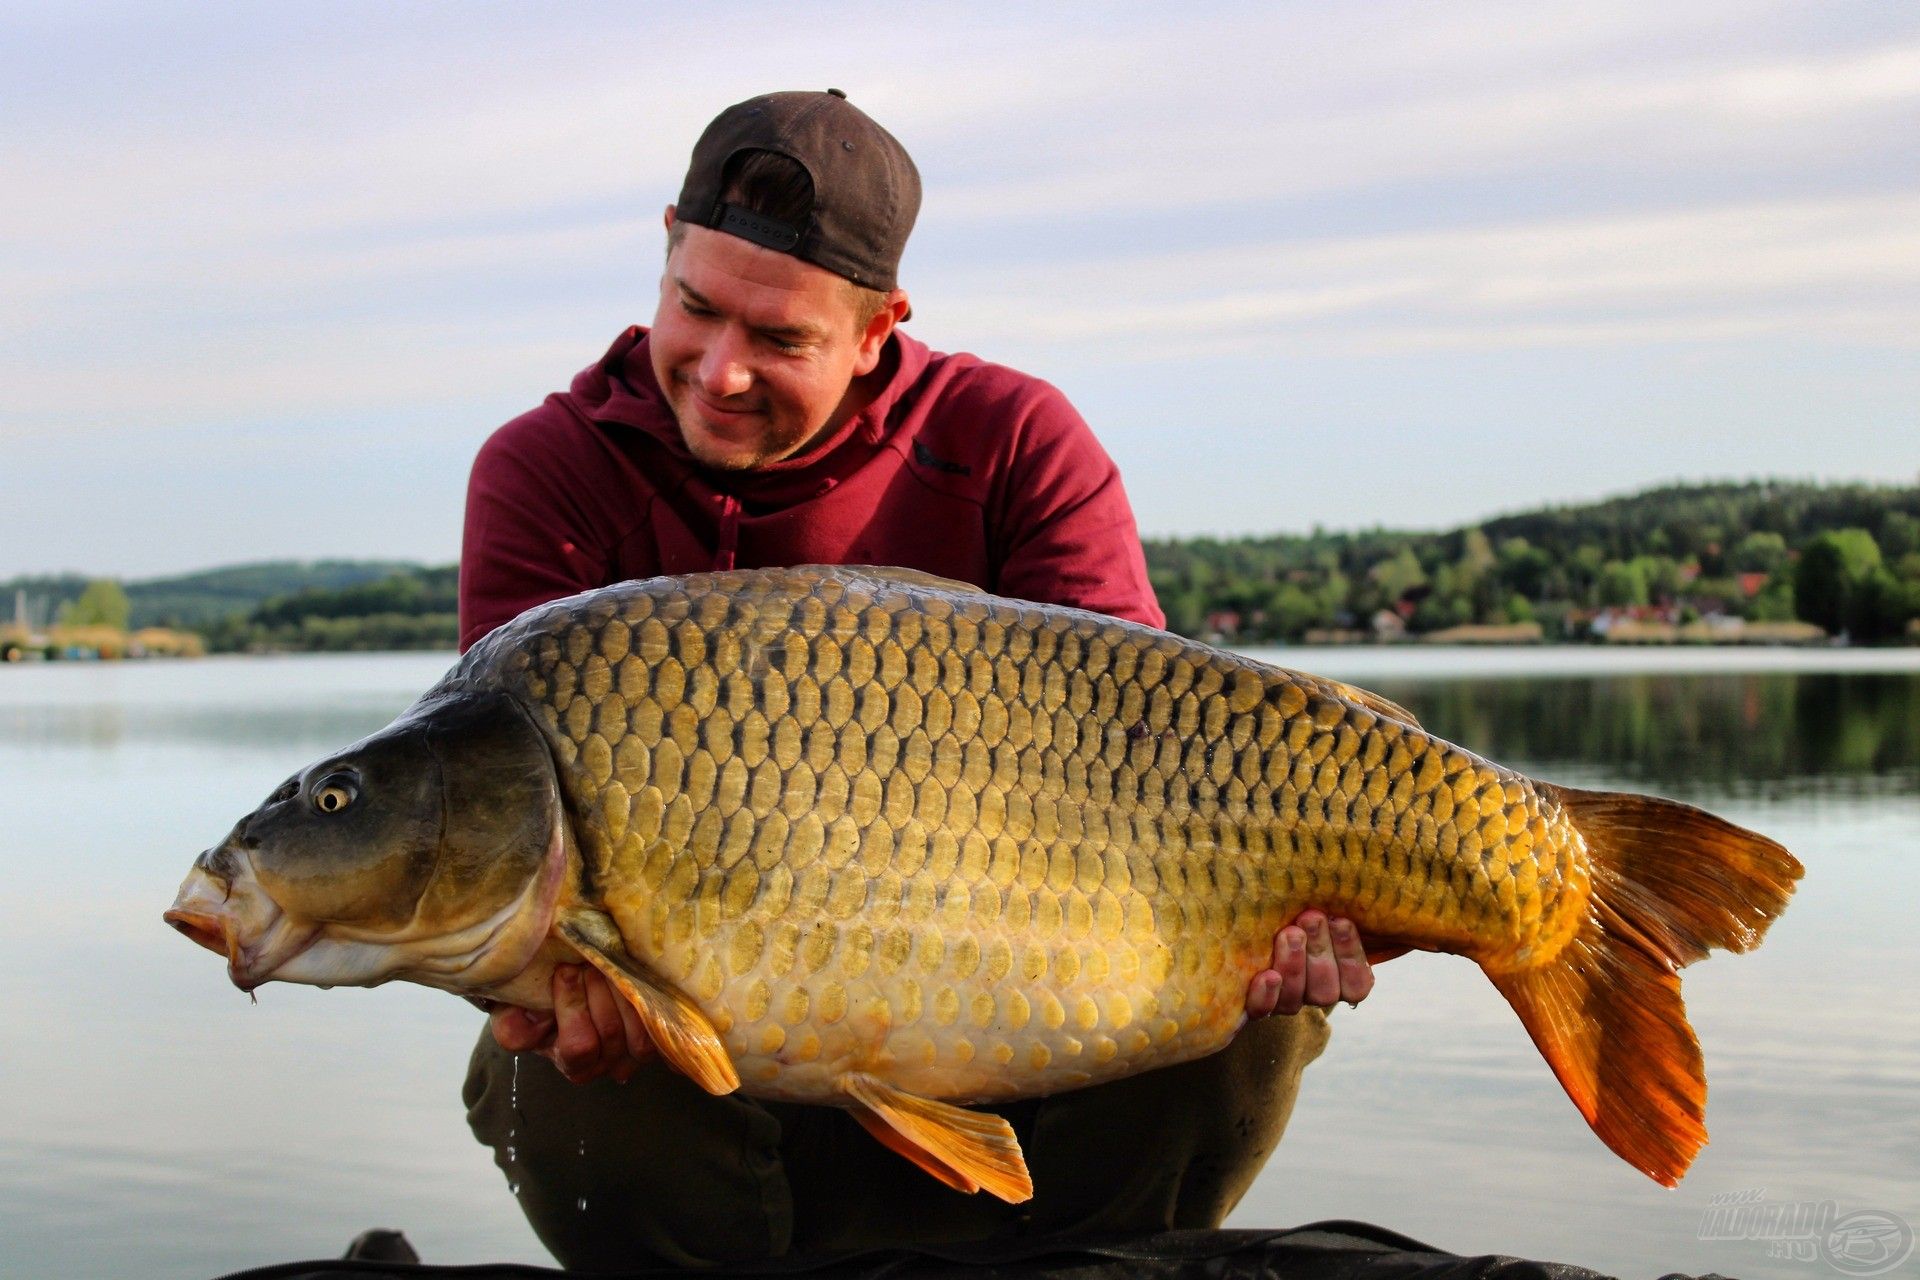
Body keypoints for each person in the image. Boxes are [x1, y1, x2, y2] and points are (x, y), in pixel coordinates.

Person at [457, 89, 1375, 1270]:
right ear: (667, 247)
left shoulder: (1013, 440)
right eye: (697, 309)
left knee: (1253, 1005)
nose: (721, 372)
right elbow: (495, 818)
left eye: (781, 340)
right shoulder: (546, 470)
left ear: (881, 327)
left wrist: (1295, 912)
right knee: (552, 1055)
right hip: (701, 1063)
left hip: (1010, 1016)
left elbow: (1159, 757)